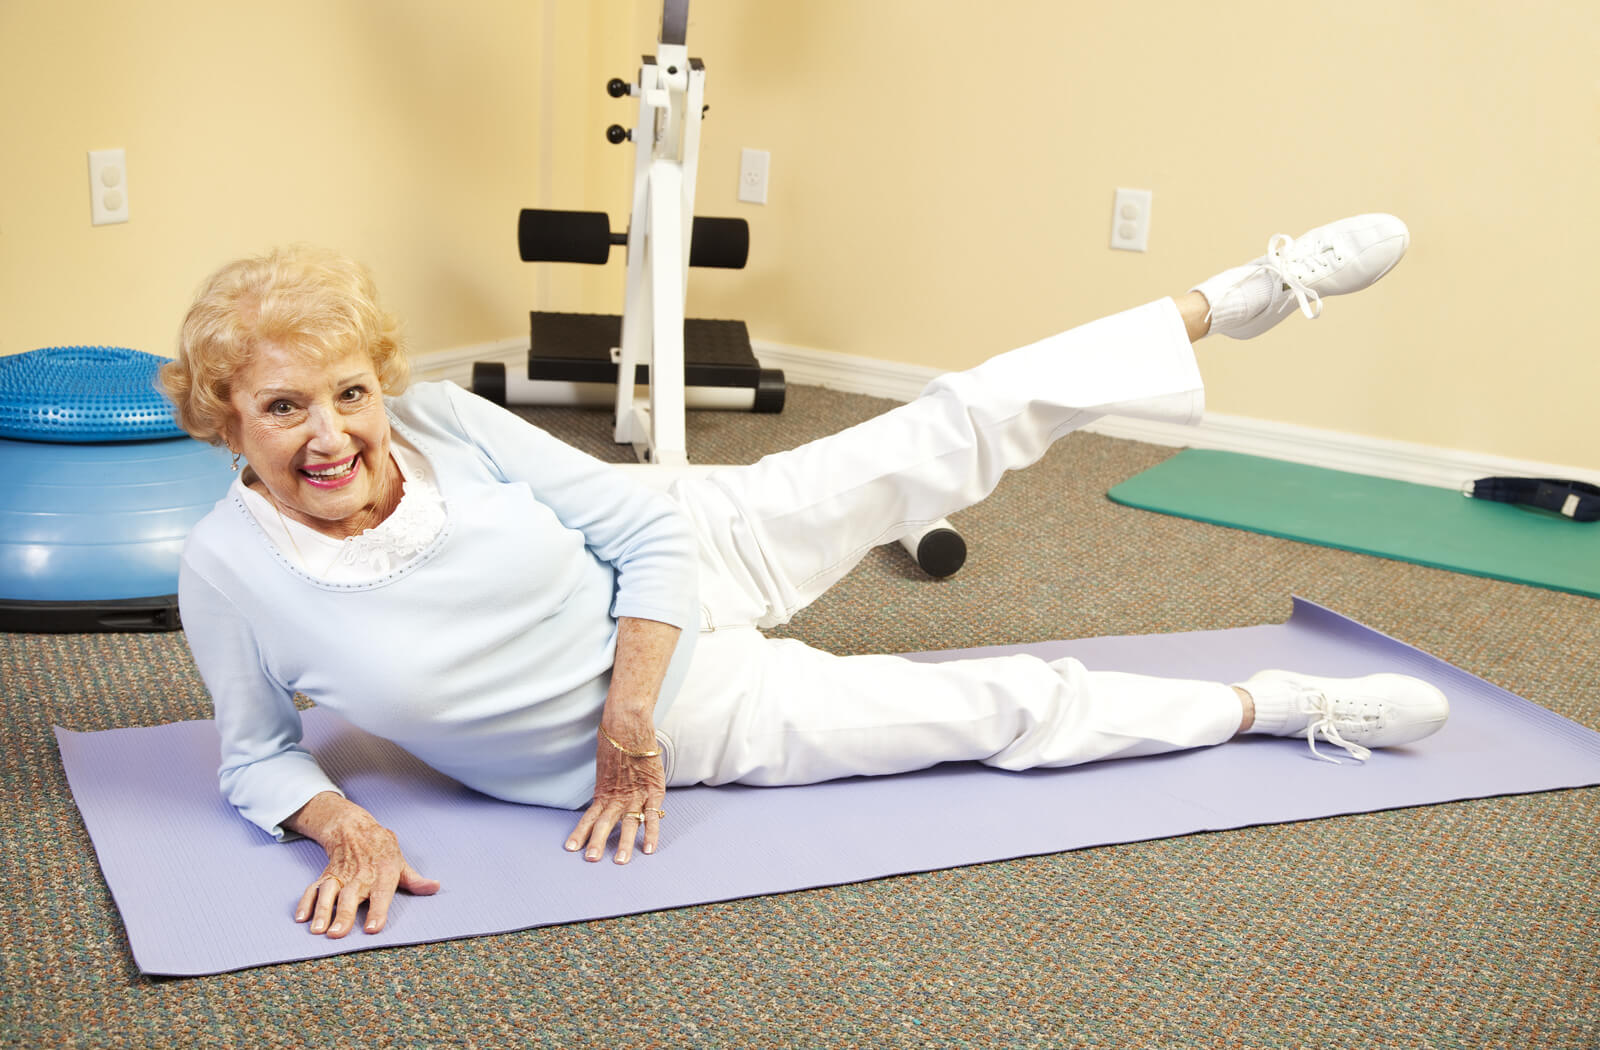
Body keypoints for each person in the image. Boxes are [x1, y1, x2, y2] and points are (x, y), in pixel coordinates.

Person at [163, 214, 1446, 942]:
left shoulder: (445, 417)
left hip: (685, 556)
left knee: (940, 429)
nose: (331, 433)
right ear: (225, 421)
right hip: (697, 710)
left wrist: (623, 720)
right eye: (284, 407)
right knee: (984, 713)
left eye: (350, 392)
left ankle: (1228, 298)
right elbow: (256, 756)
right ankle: (1274, 707)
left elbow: (647, 537)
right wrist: (344, 820)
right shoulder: (227, 569)